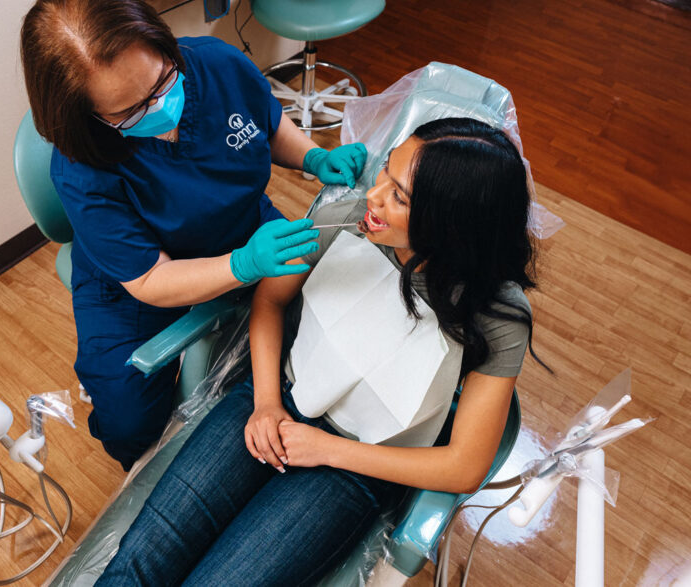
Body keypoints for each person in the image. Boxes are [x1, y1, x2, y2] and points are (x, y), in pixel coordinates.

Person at [98, 117, 544, 586]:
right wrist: (267, 402)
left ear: (454, 223)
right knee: (139, 561)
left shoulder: (496, 313)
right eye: (385, 174)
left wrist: (328, 450)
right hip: (278, 399)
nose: (372, 197)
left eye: (400, 196)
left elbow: (464, 466)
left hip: (357, 463)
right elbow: (270, 300)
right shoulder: (345, 220)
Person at [19, 0, 368, 470]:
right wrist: (244, 264)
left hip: (241, 224)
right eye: (131, 111)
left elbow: (265, 125)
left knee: (310, 330)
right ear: (87, 119)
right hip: (136, 280)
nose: (161, 106)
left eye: (162, 81)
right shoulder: (82, 169)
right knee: (128, 422)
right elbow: (150, 279)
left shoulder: (215, 64)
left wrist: (313, 158)